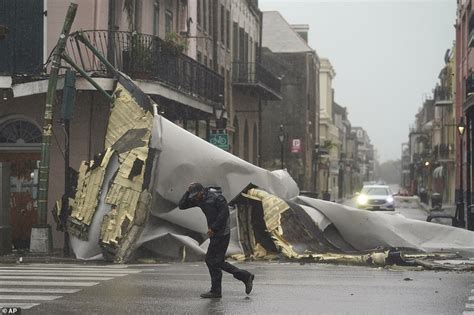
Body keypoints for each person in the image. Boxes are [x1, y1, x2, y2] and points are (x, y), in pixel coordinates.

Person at [178, 182, 254, 298]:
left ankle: (243, 277)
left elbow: (224, 215)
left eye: (195, 195)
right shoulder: (199, 199)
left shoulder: (217, 198)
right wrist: (188, 191)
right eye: (193, 196)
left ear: (201, 191)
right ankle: (218, 290)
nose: (194, 198)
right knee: (213, 261)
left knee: (214, 260)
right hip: (215, 233)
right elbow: (182, 205)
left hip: (223, 232)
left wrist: (214, 228)